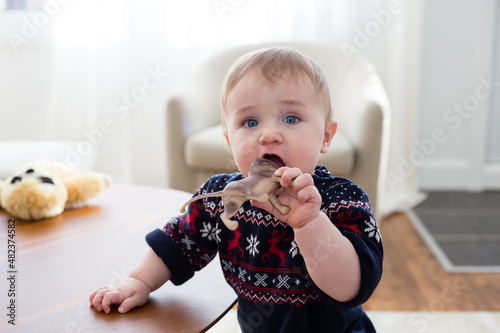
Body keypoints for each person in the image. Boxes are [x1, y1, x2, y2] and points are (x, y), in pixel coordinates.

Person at [89, 47, 383, 332]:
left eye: (291, 118)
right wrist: (138, 282)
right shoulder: (223, 196)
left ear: (326, 136)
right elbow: (179, 241)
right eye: (250, 122)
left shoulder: (341, 200)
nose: (268, 135)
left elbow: (351, 288)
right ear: (230, 141)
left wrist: (310, 223)